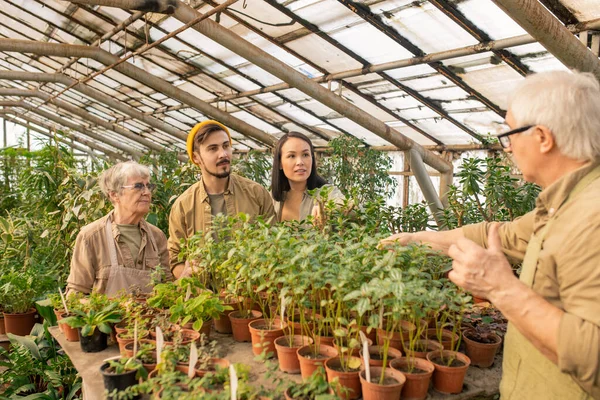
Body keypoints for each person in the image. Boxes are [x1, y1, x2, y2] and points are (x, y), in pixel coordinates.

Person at [381, 70, 600, 399]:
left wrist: (501, 288)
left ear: (542, 137)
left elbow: (592, 356)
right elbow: (497, 234)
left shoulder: (592, 215)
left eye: (510, 136)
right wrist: (418, 240)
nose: (508, 149)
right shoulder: (562, 204)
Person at [168, 120, 275, 278]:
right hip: (204, 298)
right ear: (196, 157)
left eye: (226, 146)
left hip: (250, 295)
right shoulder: (183, 205)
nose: (223, 154)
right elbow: (175, 258)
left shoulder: (256, 194)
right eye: (213, 149)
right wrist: (189, 280)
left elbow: (273, 244)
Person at [66, 161, 172, 296]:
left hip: (152, 317)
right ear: (114, 195)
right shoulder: (91, 237)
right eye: (138, 186)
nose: (146, 192)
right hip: (108, 317)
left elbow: (168, 286)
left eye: (148, 186)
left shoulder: (156, 237)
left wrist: (184, 279)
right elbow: (75, 296)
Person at [272, 131, 344, 222]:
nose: (300, 162)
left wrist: (329, 209)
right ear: (280, 163)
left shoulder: (326, 193)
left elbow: (355, 209)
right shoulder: (271, 198)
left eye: (305, 155)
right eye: (291, 156)